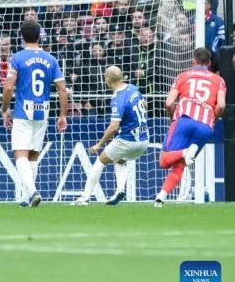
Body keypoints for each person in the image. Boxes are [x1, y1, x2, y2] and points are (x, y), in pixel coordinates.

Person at [1, 21, 68, 207]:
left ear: (21, 37)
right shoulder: (51, 59)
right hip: (43, 112)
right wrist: (63, 115)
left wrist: (5, 110)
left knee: (20, 154)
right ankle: (26, 197)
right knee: (33, 155)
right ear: (40, 36)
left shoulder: (17, 58)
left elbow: (8, 87)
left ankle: (32, 192)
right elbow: (62, 89)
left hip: (23, 111)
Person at [154, 47, 226, 207]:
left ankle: (186, 151)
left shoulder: (183, 76)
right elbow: (221, 105)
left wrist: (173, 117)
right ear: (209, 63)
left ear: (193, 61)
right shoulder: (219, 80)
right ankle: (161, 197)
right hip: (206, 125)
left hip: (184, 119)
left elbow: (169, 103)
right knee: (181, 163)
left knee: (164, 161)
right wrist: (213, 117)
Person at [71, 66, 149, 206]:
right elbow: (144, 104)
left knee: (101, 160)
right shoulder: (132, 87)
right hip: (144, 139)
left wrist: (99, 144)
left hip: (128, 139)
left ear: (107, 79)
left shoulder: (117, 98)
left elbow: (114, 126)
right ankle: (119, 191)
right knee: (119, 159)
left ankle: (84, 197)